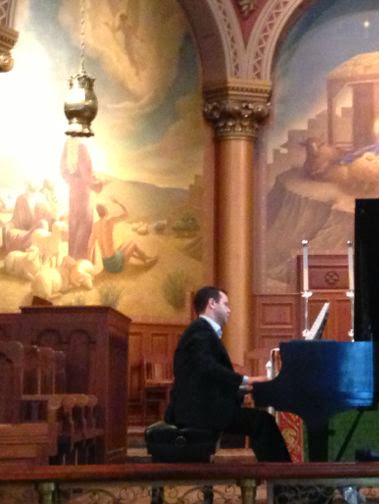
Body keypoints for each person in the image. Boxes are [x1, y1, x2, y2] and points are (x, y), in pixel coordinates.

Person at [165, 286, 291, 462]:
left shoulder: (201, 331)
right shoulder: (200, 332)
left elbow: (206, 378)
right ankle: (284, 483)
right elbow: (207, 367)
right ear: (212, 304)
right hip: (199, 411)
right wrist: (247, 379)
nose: (229, 309)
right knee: (263, 422)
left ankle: (279, 481)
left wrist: (242, 388)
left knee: (261, 422)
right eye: (226, 304)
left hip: (202, 406)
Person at [61, 138, 104, 259]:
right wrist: (99, 184)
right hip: (84, 193)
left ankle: (72, 259)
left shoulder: (67, 147)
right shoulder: (82, 148)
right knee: (85, 226)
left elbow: (63, 171)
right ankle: (82, 261)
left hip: (73, 192)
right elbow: (87, 175)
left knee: (74, 225)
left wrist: (73, 181)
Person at [89, 197, 157, 273]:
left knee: (123, 245)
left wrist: (89, 263)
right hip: (115, 265)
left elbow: (90, 246)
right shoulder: (110, 220)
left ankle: (144, 258)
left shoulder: (95, 225)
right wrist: (118, 202)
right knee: (133, 244)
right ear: (105, 209)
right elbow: (126, 214)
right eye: (106, 207)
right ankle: (146, 260)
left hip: (106, 264)